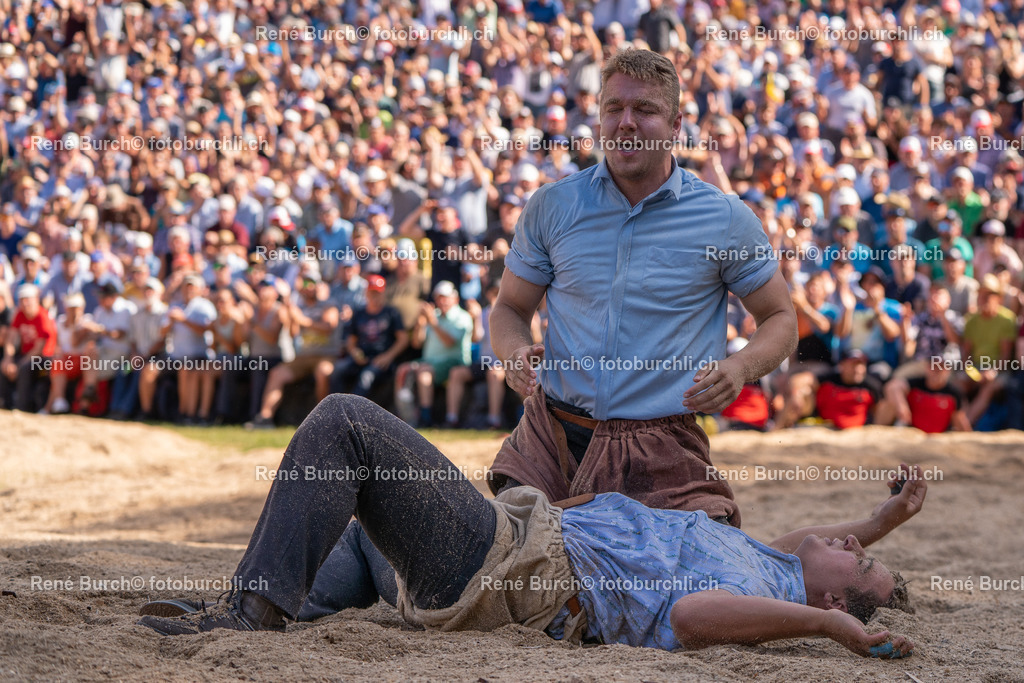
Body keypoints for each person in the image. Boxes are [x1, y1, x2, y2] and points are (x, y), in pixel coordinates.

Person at [136, 395, 919, 660]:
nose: (852, 544)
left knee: (346, 424)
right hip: (512, 540)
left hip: (514, 571)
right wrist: (881, 522)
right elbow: (816, 543)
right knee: (365, 525)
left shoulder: (756, 591)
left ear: (836, 601)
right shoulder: (763, 559)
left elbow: (687, 617)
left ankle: (250, 613)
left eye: (863, 566)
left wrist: (825, 626)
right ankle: (278, 610)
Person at [488, 49, 797, 525]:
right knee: (504, 565)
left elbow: (780, 319)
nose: (626, 122)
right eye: (614, 108)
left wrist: (739, 368)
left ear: (676, 125)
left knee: (696, 578)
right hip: (551, 436)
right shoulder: (552, 206)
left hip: (664, 447)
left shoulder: (724, 218)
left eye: (645, 110)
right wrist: (513, 353)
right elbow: (509, 307)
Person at [322, 274, 408, 400]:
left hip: (381, 358)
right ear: (366, 293)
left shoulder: (391, 313)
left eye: (377, 293)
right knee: (337, 371)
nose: (374, 296)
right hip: (361, 357)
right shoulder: (359, 313)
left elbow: (403, 339)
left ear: (383, 293)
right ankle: (337, 408)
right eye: (372, 292)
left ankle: (354, 413)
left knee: (366, 376)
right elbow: (351, 340)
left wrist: (388, 356)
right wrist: (354, 352)